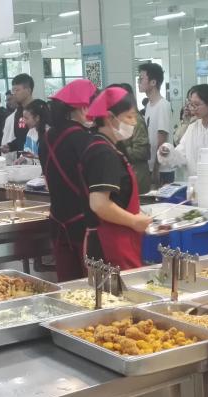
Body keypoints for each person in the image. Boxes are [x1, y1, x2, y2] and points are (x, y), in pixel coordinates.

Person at [82, 87, 151, 269]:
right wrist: (133, 221)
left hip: (119, 237)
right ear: (109, 117)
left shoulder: (108, 146)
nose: (134, 122)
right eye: (129, 117)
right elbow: (99, 204)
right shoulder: (103, 153)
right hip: (109, 243)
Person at [39, 79, 98, 281]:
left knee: (68, 286)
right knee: (94, 288)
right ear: (83, 108)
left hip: (58, 221)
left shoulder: (46, 138)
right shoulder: (85, 139)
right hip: (85, 225)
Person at [158, 84, 208, 179]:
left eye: (196, 105)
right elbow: (181, 154)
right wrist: (168, 152)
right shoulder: (192, 128)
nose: (192, 108)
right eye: (191, 104)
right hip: (195, 184)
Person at [107, 83, 152, 195]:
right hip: (125, 174)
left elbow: (141, 151)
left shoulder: (135, 120)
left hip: (137, 175)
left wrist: (117, 150)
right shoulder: (116, 119)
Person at [138, 62, 174, 185]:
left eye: (141, 78)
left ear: (153, 82)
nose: (139, 82)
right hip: (151, 165)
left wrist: (156, 169)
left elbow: (162, 140)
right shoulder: (149, 105)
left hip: (162, 169)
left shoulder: (163, 105)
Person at [2, 74, 35, 153]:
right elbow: (21, 137)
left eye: (17, 90)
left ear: (28, 90)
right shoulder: (18, 112)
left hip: (37, 157)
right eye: (13, 90)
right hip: (22, 157)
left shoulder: (39, 109)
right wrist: (10, 146)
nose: (14, 93)